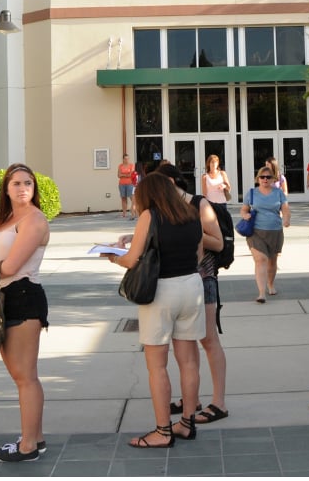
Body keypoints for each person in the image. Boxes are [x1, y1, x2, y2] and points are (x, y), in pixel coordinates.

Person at [109, 173, 204, 447]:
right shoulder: (190, 213)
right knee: (188, 362)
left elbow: (132, 259)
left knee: (157, 366)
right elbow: (199, 255)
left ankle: (162, 431)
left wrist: (113, 256)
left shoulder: (150, 216)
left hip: (161, 291)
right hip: (191, 286)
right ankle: (187, 423)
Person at [0, 163, 51, 462]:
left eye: (28, 183)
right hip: (1, 298)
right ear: (6, 189)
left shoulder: (34, 220)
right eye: (16, 183)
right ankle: (35, 438)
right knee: (22, 376)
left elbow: (9, 267)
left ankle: (28, 446)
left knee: (25, 378)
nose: (22, 188)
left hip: (23, 296)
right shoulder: (7, 219)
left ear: (34, 189)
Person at [152, 164, 228, 425]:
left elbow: (217, 242)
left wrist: (189, 231)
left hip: (203, 279)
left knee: (208, 339)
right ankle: (191, 399)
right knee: (185, 344)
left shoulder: (199, 204)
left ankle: (219, 402)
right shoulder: (164, 208)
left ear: (174, 182)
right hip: (178, 281)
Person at [240, 165, 290, 302]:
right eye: (262, 177)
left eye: (268, 177)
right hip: (256, 232)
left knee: (272, 262)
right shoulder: (251, 193)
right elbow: (243, 210)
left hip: (275, 231)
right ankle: (261, 293)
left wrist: (286, 219)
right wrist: (245, 215)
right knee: (260, 260)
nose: (265, 179)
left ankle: (271, 284)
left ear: (273, 179)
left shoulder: (278, 192)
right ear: (258, 179)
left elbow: (285, 208)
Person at [117, 154, 136, 218]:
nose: (126, 160)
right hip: (121, 184)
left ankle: (135, 212)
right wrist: (126, 174)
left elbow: (131, 175)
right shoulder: (120, 166)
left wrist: (123, 175)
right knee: (123, 198)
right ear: (123, 159)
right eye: (125, 159)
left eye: (127, 159)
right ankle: (124, 213)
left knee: (132, 198)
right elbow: (119, 175)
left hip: (130, 183)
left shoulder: (131, 165)